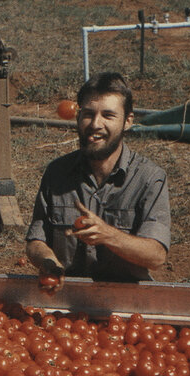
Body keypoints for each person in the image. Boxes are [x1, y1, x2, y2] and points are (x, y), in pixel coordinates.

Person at [25, 72, 170, 290]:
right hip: (66, 301)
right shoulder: (57, 173)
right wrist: (48, 261)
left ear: (127, 121)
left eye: (108, 115)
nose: (95, 124)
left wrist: (108, 234)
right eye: (88, 114)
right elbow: (36, 240)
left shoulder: (149, 179)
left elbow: (156, 256)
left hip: (126, 305)